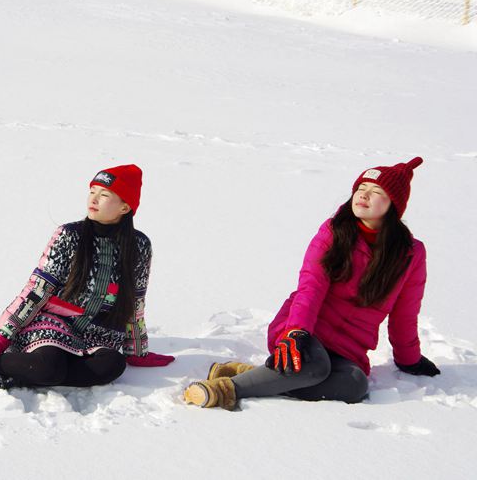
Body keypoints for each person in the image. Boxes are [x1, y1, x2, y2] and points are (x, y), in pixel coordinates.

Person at [184, 157, 440, 410]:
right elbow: (311, 287)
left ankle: (248, 374)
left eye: (376, 192)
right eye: (360, 189)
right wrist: (296, 332)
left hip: (348, 349)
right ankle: (225, 389)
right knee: (314, 366)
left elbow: (405, 313)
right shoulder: (334, 232)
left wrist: (409, 360)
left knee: (355, 385)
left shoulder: (410, 254)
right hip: (303, 331)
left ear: (394, 204)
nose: (363, 196)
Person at [0, 164, 174, 393]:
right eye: (92, 191)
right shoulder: (69, 235)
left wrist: (137, 351)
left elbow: (134, 300)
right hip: (52, 323)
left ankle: (20, 375)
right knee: (49, 366)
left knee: (113, 366)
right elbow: (37, 289)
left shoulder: (139, 245)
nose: (94, 199)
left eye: (105, 194)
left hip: (99, 333)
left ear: (125, 207)